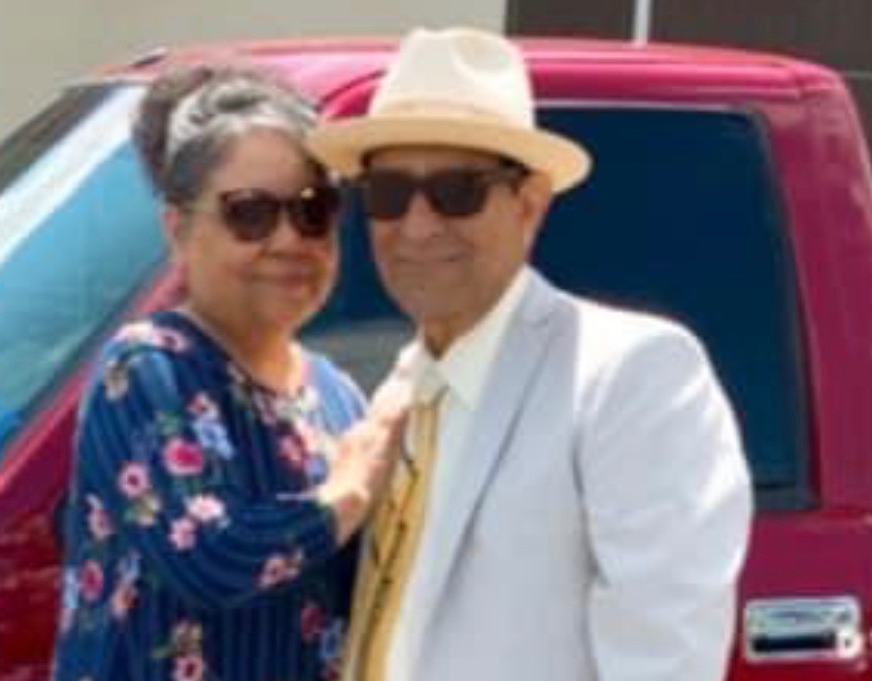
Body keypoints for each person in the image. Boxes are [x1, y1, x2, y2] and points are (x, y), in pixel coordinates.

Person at [307, 27, 754, 681]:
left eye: (458, 191)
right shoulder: (400, 390)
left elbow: (667, 660)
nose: (418, 226)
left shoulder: (629, 375)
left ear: (529, 204)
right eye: (388, 193)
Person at [51, 63, 401, 681]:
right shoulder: (148, 368)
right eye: (250, 213)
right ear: (178, 230)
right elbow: (212, 557)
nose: (289, 240)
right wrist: (345, 494)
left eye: (313, 210)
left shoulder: (338, 395)